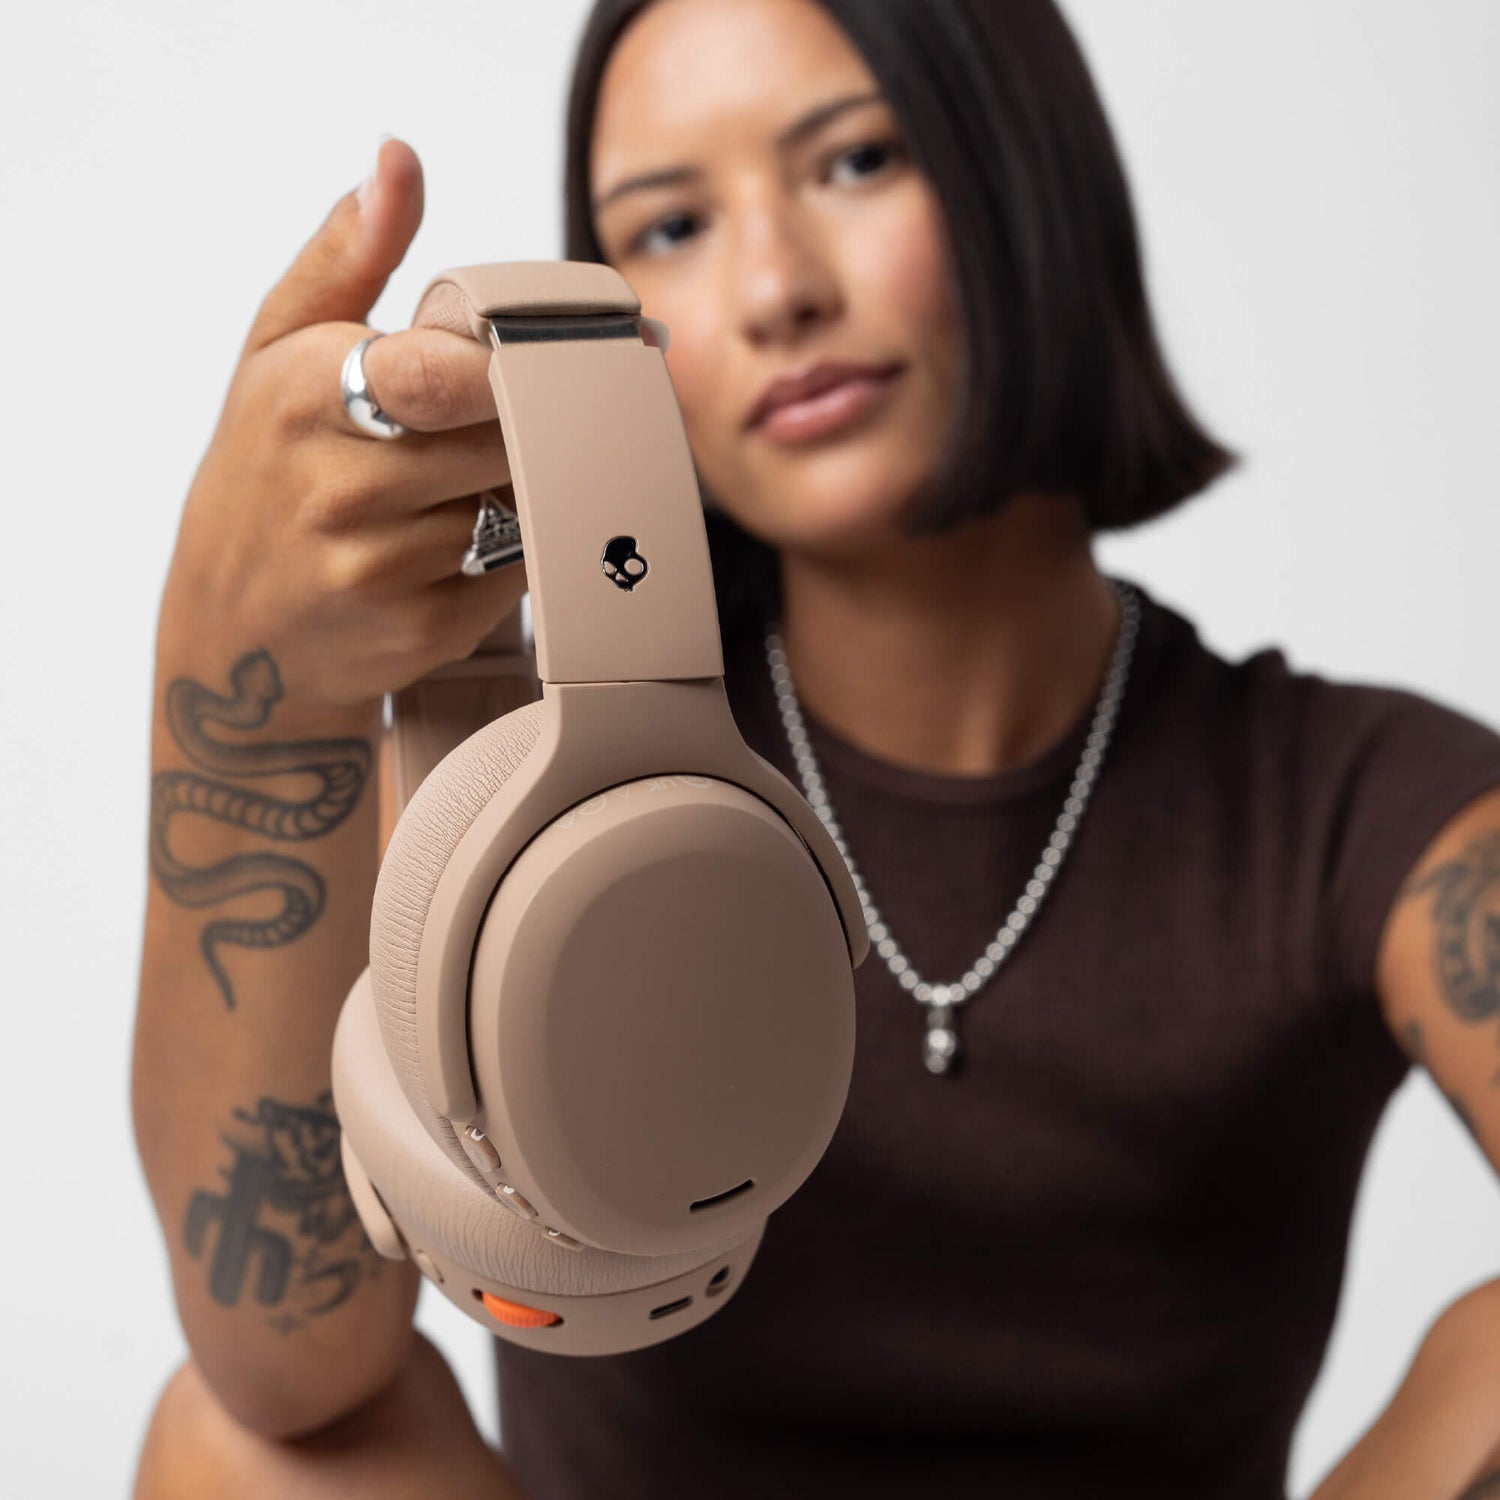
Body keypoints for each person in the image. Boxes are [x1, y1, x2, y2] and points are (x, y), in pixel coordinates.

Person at [130, 1, 1500, 1496]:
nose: (776, 288)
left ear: (1027, 175)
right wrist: (246, 679)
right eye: (671, 227)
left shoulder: (1364, 808)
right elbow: (285, 1372)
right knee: (236, 1450)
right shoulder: (519, 785)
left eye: (854, 162)